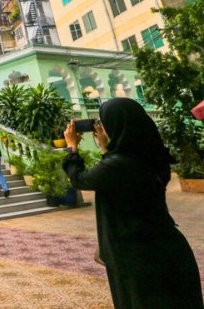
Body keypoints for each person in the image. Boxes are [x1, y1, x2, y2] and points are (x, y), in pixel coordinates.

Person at [63, 97, 203, 309]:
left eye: (104, 123)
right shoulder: (151, 157)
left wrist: (72, 148)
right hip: (167, 246)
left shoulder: (117, 165)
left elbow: (79, 179)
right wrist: (106, 148)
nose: (100, 128)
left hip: (137, 257)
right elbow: (117, 176)